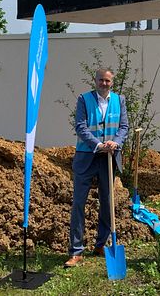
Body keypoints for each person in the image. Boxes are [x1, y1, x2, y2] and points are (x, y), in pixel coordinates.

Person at [64, 68, 129, 268]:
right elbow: (81, 126)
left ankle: (101, 244)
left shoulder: (120, 100)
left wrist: (115, 143)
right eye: (101, 80)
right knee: (78, 203)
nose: (104, 84)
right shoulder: (84, 99)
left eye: (107, 81)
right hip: (87, 155)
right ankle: (76, 250)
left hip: (109, 157)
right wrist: (98, 145)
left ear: (112, 82)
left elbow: (124, 127)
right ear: (96, 81)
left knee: (107, 203)